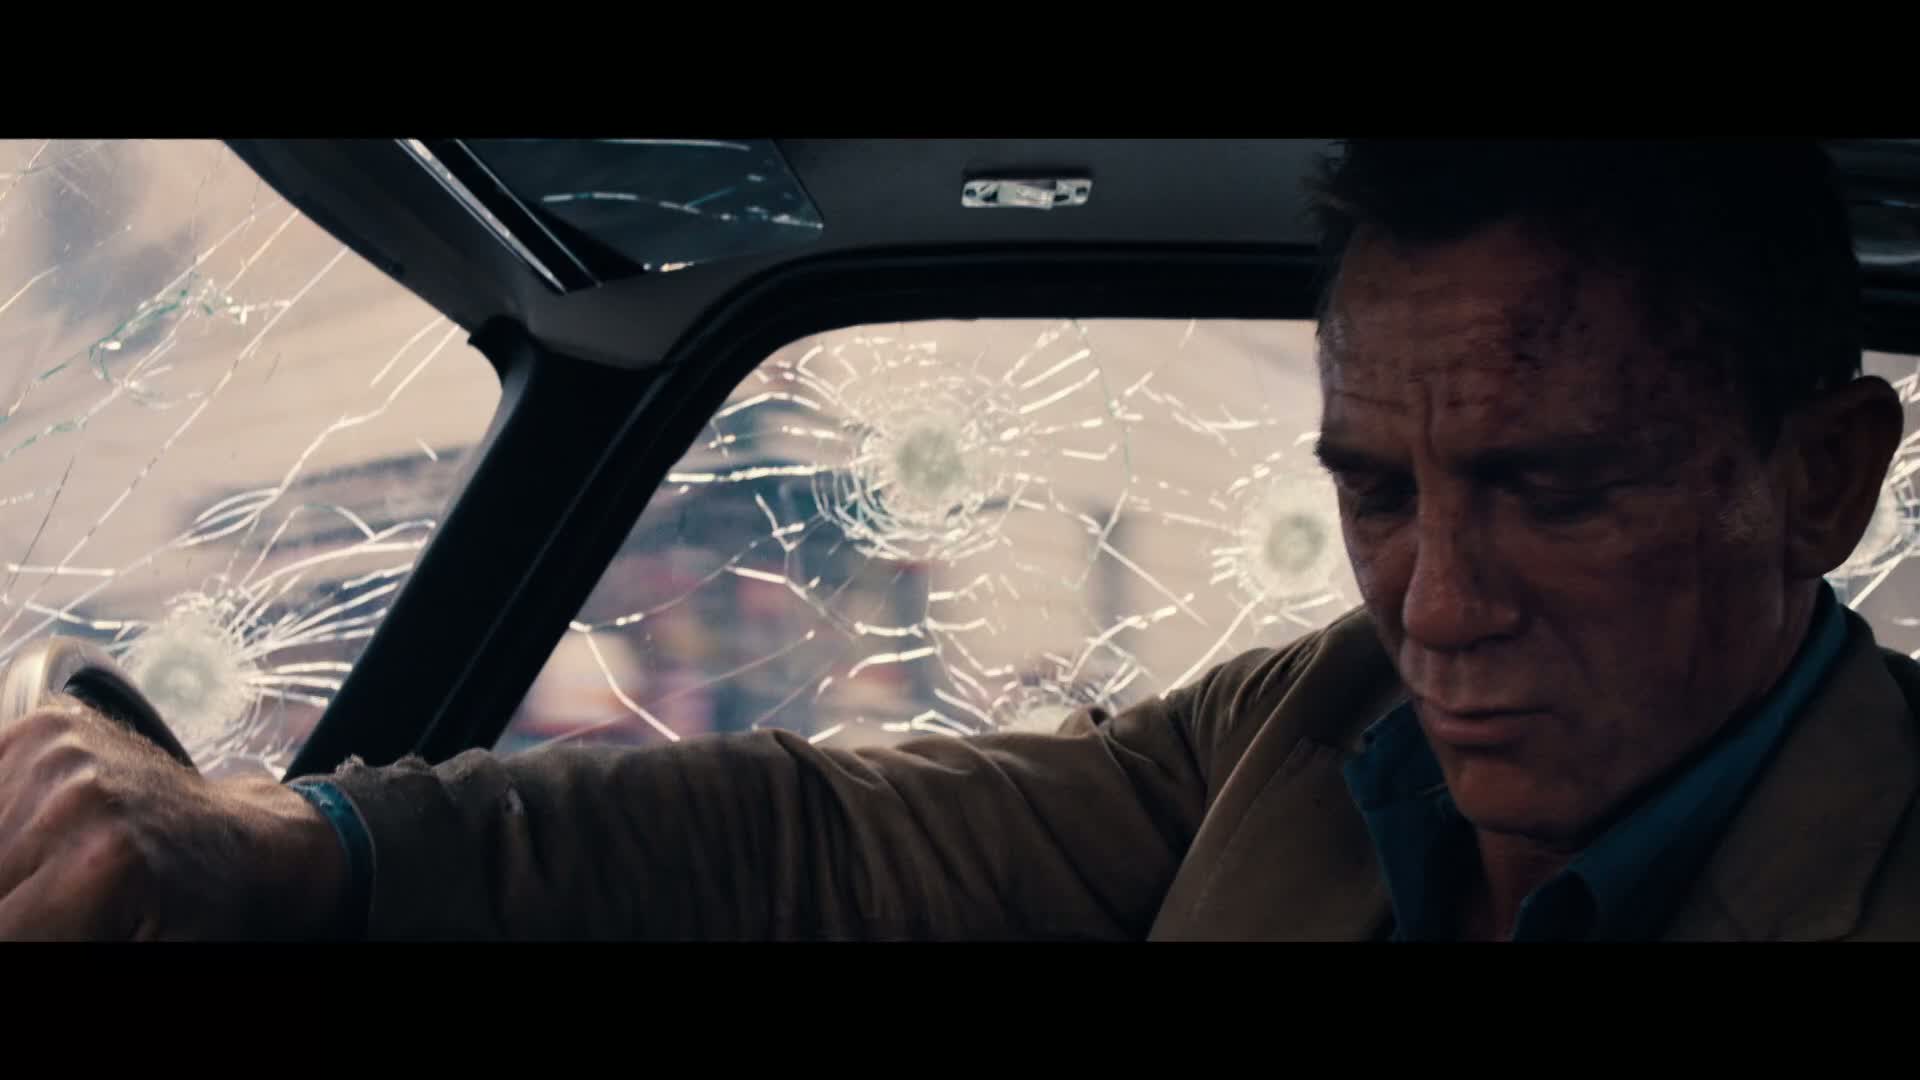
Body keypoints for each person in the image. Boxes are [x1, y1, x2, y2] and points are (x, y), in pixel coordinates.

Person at [1, 139, 1915, 941]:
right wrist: (292, 842)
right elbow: (810, 840)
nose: (1439, 607)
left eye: (1556, 492)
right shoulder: (1315, 732)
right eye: (1377, 494)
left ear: (1823, 478)